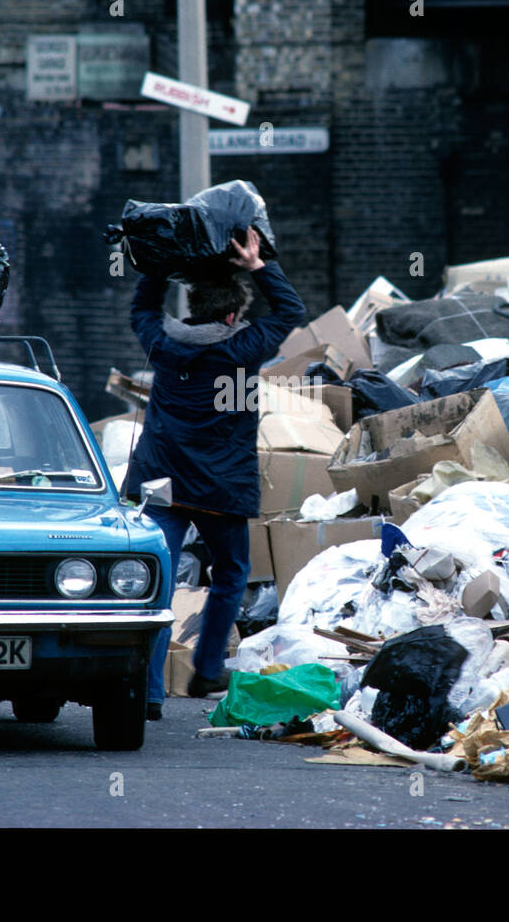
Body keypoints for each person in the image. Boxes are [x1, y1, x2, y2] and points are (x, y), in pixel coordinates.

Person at [126, 228, 306, 720]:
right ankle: (207, 669)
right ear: (231, 314)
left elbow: (141, 311)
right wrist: (258, 266)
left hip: (162, 484)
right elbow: (291, 313)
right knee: (230, 574)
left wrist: (158, 267)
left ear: (194, 307)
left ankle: (147, 694)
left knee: (155, 587)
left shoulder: (163, 343)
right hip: (221, 490)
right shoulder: (242, 348)